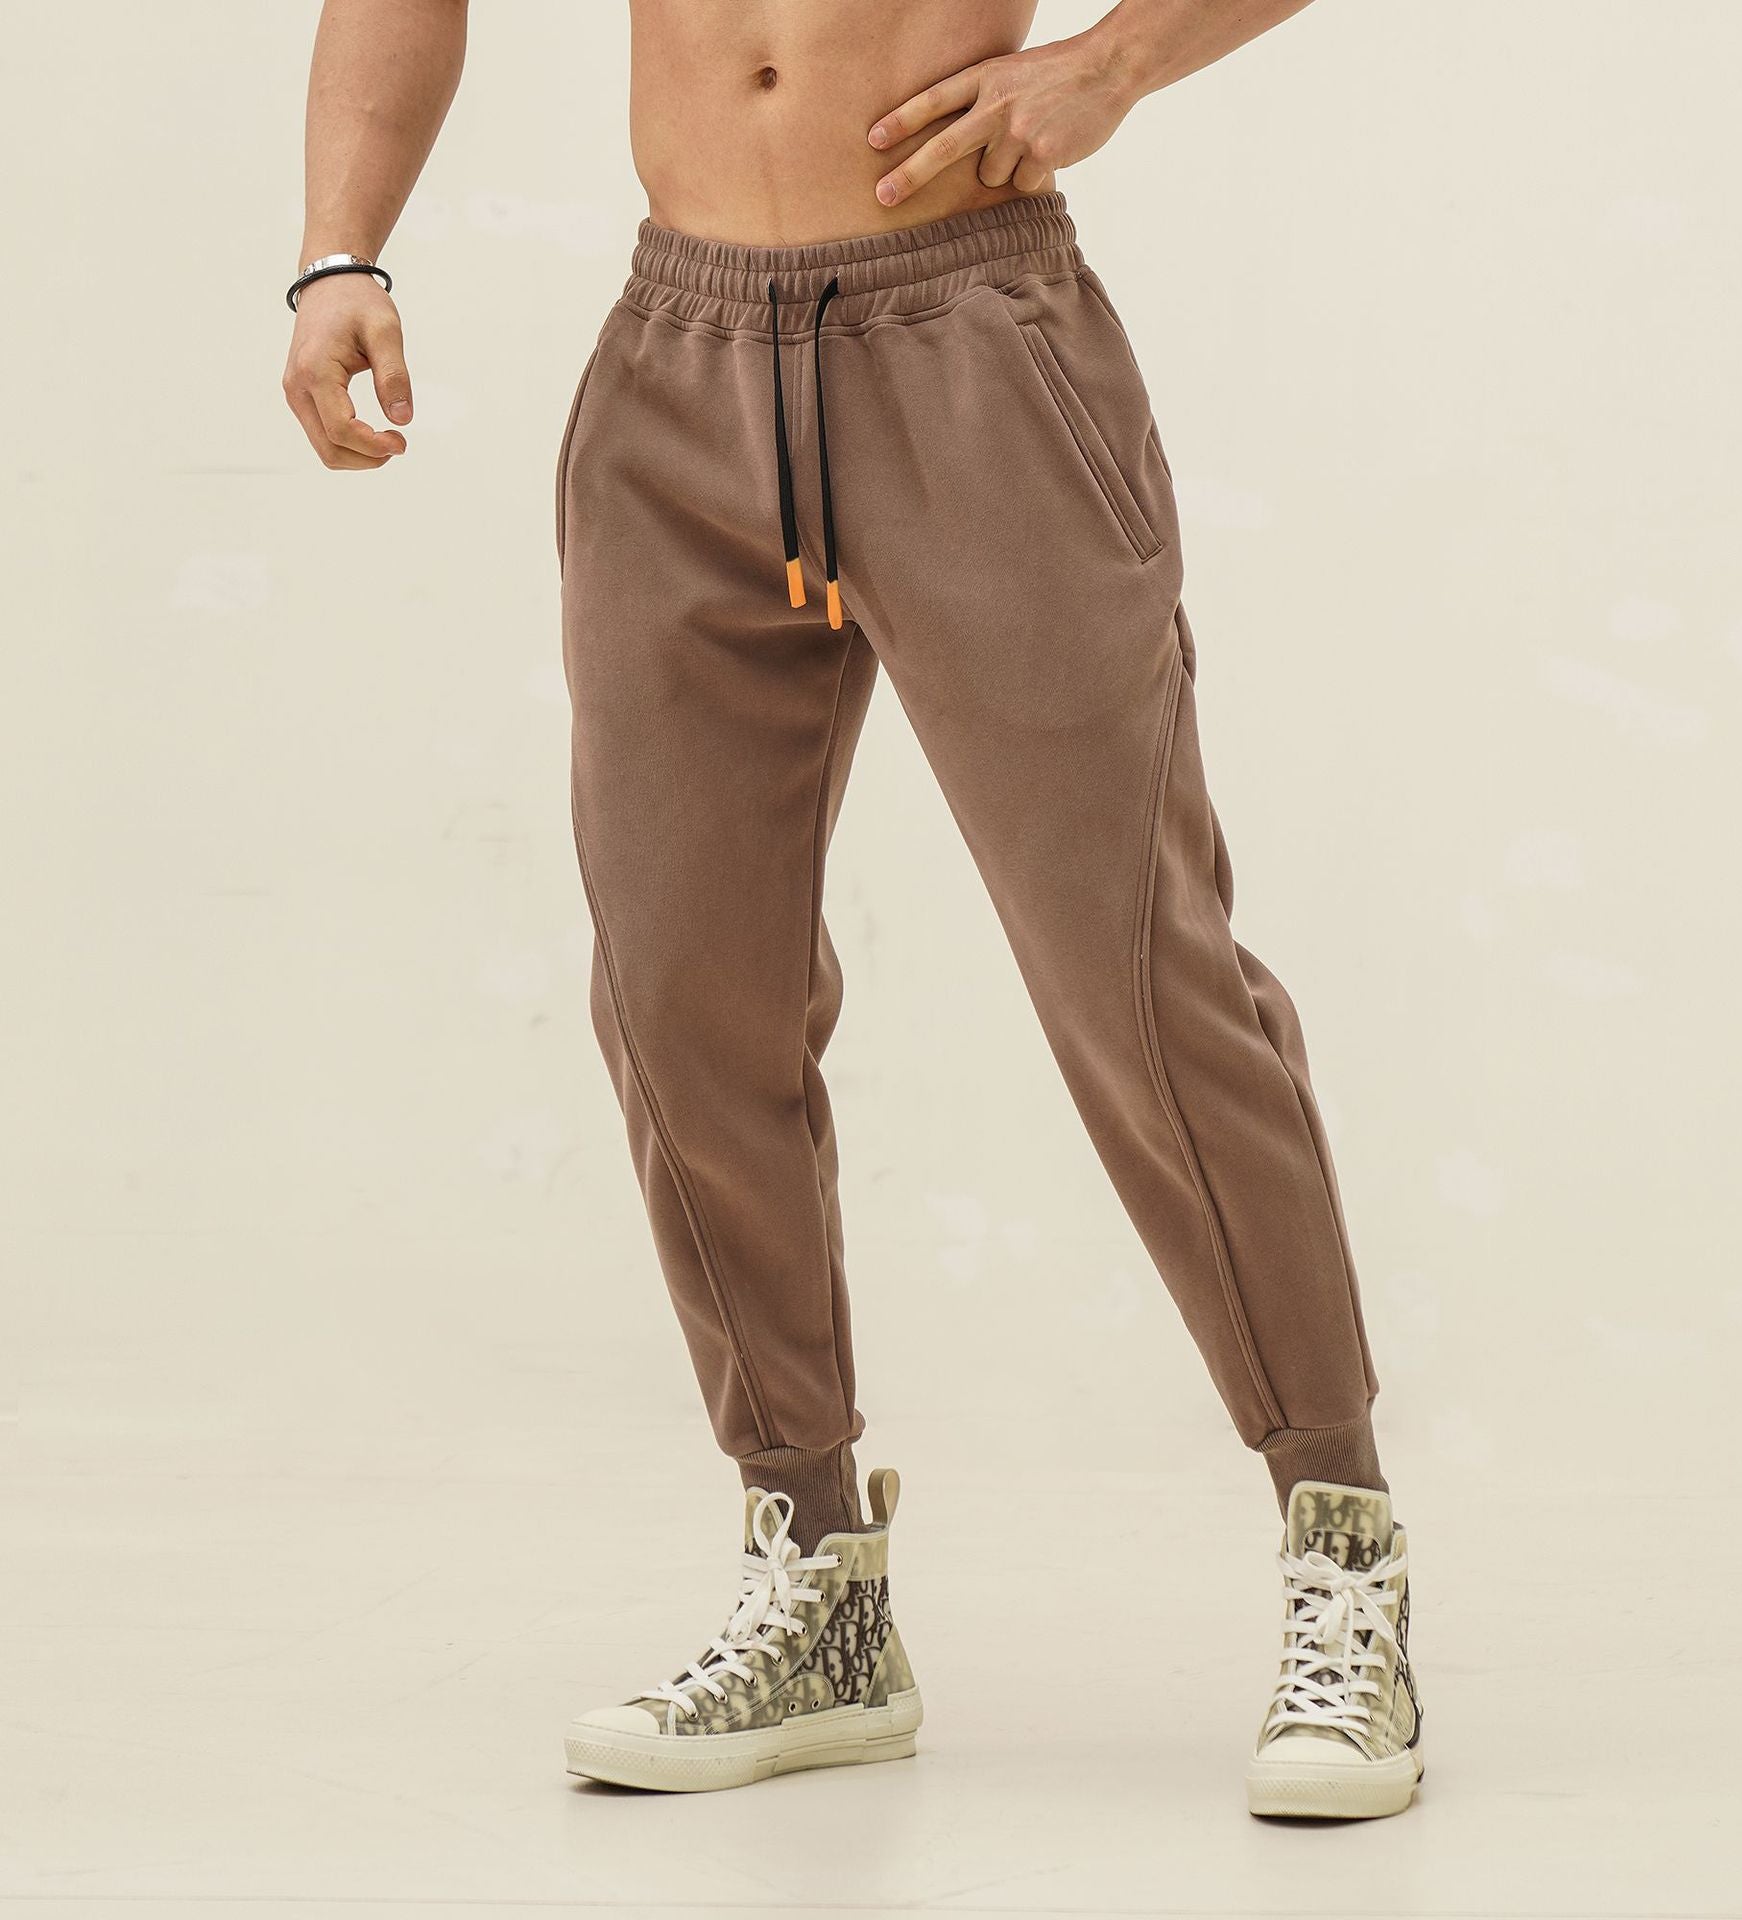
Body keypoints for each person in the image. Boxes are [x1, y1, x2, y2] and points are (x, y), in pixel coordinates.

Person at [283, 0, 1424, 1819]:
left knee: (1137, 977)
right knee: (678, 992)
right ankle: (816, 1579)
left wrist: (1112, 64)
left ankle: (1341, 1544)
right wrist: (341, 247)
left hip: (968, 338)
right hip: (680, 362)